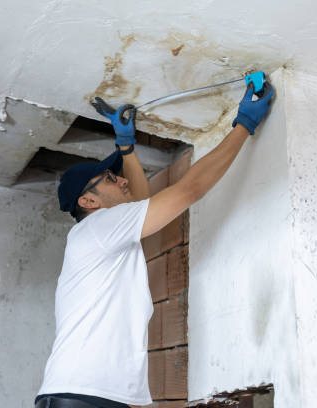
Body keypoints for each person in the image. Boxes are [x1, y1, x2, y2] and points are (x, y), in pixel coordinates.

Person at [35, 80, 273, 408]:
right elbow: (189, 190)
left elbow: (141, 200)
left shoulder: (103, 237)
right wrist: (244, 125)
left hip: (86, 395)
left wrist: (126, 148)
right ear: (88, 200)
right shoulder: (100, 227)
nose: (120, 180)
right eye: (109, 178)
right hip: (84, 397)